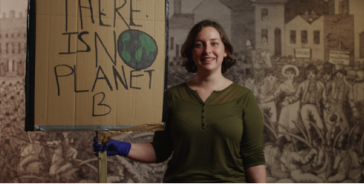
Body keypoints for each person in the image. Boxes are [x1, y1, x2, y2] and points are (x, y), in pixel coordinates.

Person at [93, 20, 267, 183]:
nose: (207, 50)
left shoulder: (244, 97)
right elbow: (160, 150)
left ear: (225, 50)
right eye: (199, 45)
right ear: (191, 52)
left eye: (214, 43)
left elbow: (253, 157)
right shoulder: (172, 96)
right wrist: (122, 147)